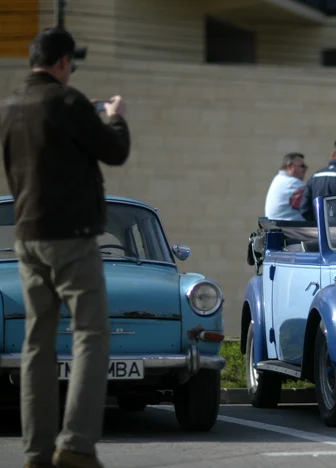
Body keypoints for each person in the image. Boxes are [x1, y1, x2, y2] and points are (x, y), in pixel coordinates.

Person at [0, 27, 130, 468]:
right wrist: (115, 116)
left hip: (27, 237)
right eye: (70, 64)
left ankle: (36, 452)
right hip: (71, 238)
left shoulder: (9, 106)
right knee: (90, 335)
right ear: (61, 62)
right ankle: (75, 444)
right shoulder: (68, 101)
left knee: (37, 343)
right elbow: (114, 151)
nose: (70, 70)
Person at [264, 152, 308, 221]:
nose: (305, 169)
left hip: (278, 226)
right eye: (302, 166)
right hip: (288, 229)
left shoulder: (278, 179)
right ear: (290, 166)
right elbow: (311, 205)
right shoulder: (292, 183)